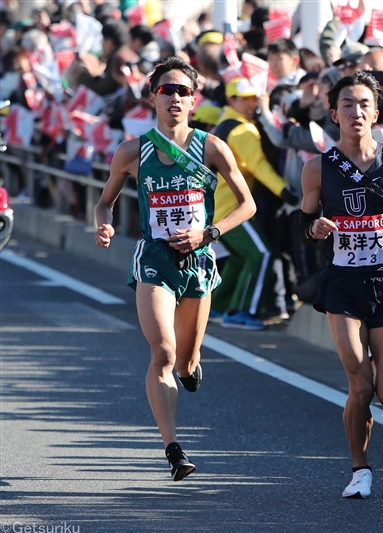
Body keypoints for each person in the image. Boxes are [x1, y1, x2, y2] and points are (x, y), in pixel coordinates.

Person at [94, 57, 255, 481]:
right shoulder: (132, 150)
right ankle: (173, 449)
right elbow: (104, 200)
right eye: (167, 90)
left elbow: (248, 204)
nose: (176, 98)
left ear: (194, 100)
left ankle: (189, 368)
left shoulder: (212, 147)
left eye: (184, 91)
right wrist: (104, 224)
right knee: (162, 352)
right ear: (152, 97)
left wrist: (210, 234)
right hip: (154, 259)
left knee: (184, 362)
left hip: (199, 260)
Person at [297, 72, 383, 498]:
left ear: (376, 111)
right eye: (347, 104)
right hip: (342, 284)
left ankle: (382, 370)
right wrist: (314, 227)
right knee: (361, 386)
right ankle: (360, 469)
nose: (356, 111)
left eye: (364, 103)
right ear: (334, 114)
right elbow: (303, 221)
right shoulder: (317, 168)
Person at [210, 77, 297, 328]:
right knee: (262, 253)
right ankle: (240, 312)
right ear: (231, 100)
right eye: (243, 99)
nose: (250, 103)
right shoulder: (242, 129)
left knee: (241, 257)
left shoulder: (222, 125)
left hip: (215, 208)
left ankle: (217, 307)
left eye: (252, 98)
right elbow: (258, 165)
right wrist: (283, 190)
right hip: (231, 208)